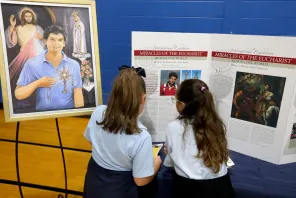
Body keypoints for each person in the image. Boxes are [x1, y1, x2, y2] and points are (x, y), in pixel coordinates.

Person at [83, 67, 162, 198]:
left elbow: (91, 139)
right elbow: (141, 180)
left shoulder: (98, 112)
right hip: (120, 189)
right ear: (143, 98)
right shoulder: (141, 136)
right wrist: (156, 163)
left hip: (94, 181)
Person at [163, 79, 235, 198]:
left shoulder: (173, 127)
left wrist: (171, 153)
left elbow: (169, 164)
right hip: (221, 188)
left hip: (188, 189)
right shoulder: (218, 125)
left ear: (181, 105)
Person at [15, 25, 84, 112]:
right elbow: (18, 94)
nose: (56, 43)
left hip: (68, 115)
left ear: (64, 43)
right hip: (42, 117)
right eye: (52, 39)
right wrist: (38, 83)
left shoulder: (74, 65)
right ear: (45, 41)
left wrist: (77, 116)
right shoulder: (32, 63)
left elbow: (78, 92)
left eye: (60, 40)